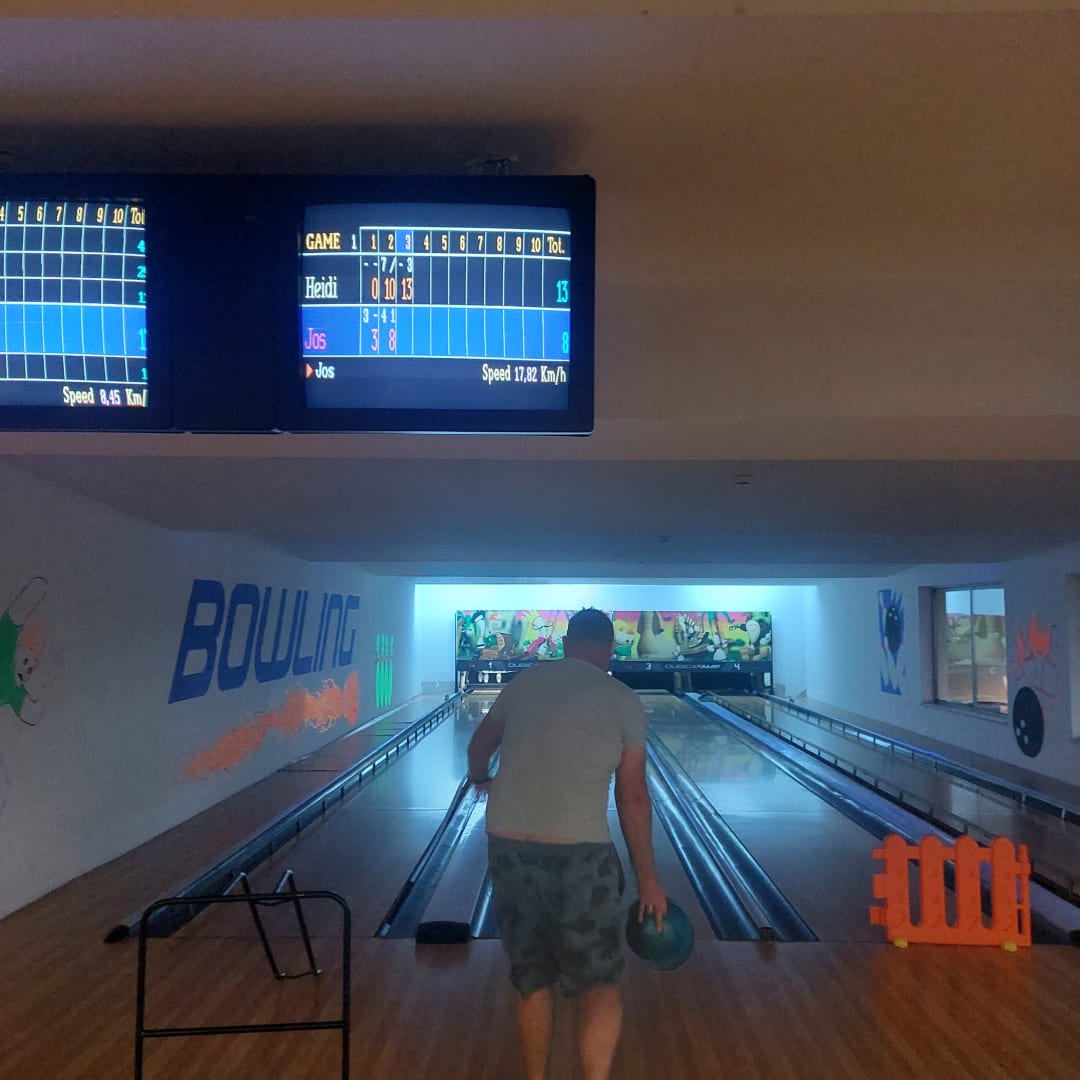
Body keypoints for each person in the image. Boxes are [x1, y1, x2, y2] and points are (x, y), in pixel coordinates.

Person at [467, 608, 667, 1080]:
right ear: (611, 648)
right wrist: (649, 881)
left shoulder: (524, 683)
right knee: (598, 983)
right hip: (582, 854)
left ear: (564, 643)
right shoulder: (621, 698)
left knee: (531, 977)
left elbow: (478, 748)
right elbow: (632, 797)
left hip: (509, 846)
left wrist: (481, 780)